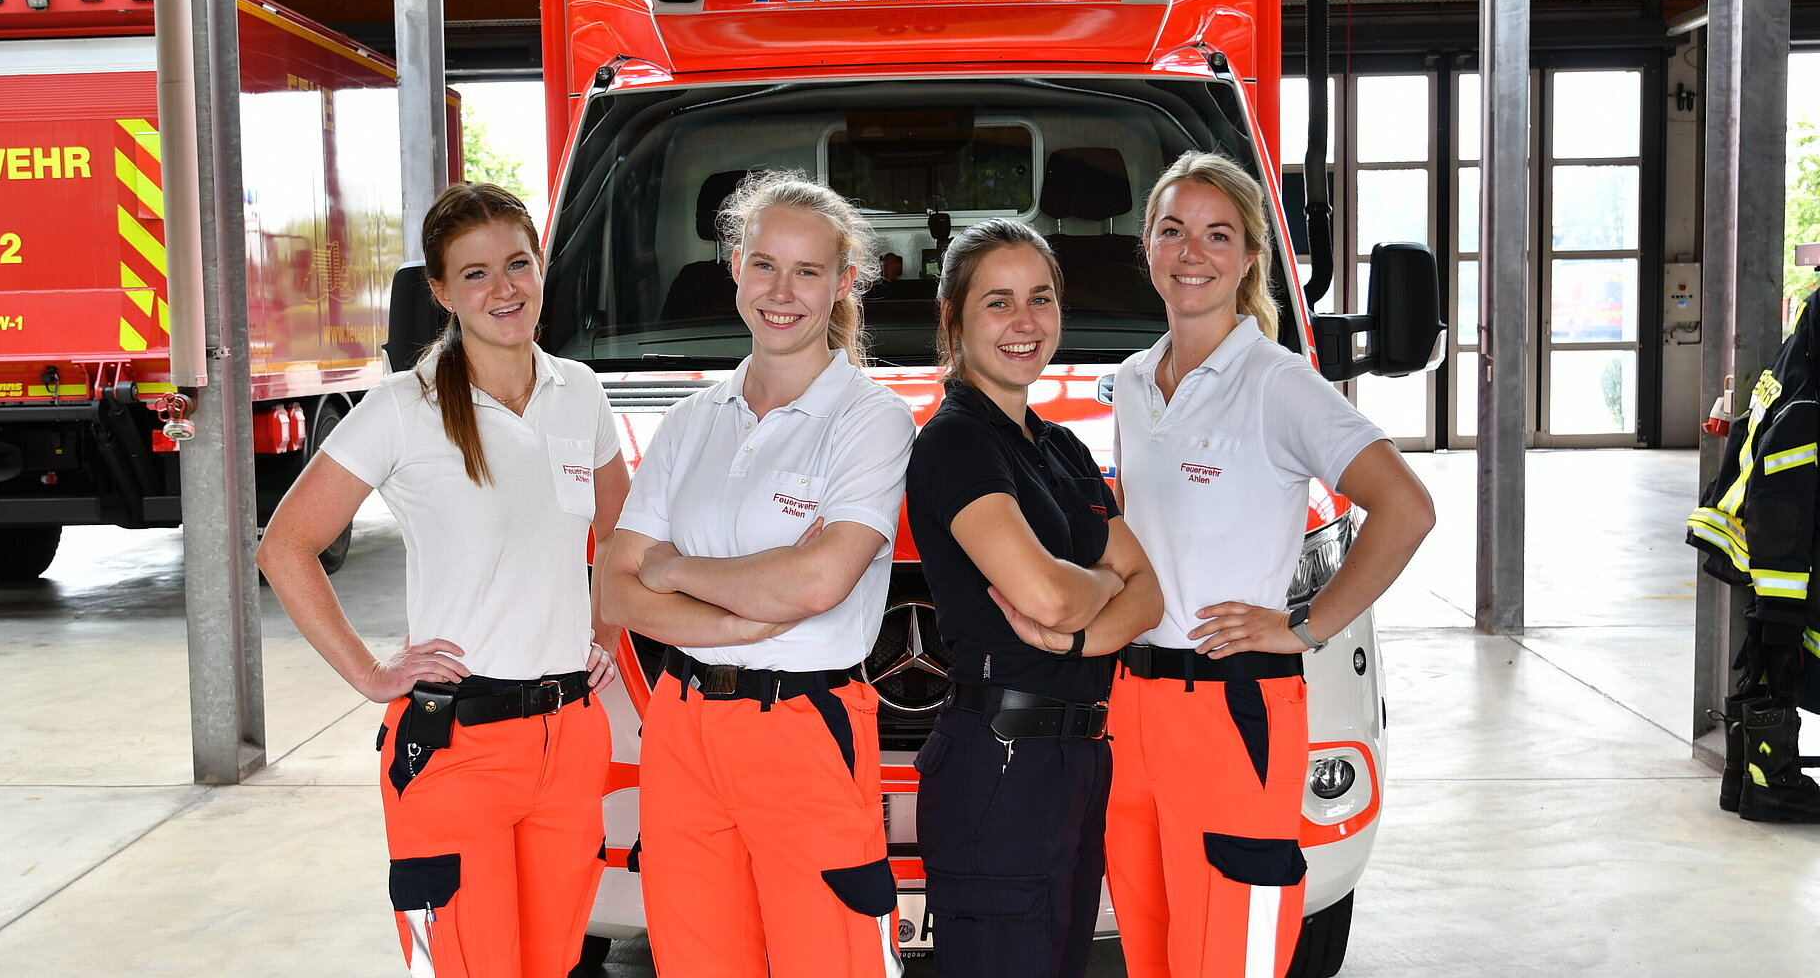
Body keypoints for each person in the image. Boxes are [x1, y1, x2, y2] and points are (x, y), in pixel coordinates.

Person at [1003, 151, 1435, 978]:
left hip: (1231, 708)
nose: (1191, 252)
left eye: (1216, 234)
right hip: (1128, 709)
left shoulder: (1281, 384)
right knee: (1153, 949)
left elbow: (1407, 509)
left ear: (1248, 258)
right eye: (1173, 231)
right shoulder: (1130, 382)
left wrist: (1305, 624)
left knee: (1229, 953)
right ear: (1148, 248)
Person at [256, 182, 625, 978]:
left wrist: (603, 635)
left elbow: (622, 541)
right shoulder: (403, 408)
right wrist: (370, 672)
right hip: (455, 744)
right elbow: (285, 546)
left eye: (517, 264)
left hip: (569, 737)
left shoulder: (579, 390)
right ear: (439, 291)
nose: (505, 289)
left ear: (540, 265)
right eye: (476, 274)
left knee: (556, 964)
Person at [598, 171, 915, 978]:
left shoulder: (871, 420)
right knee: (696, 958)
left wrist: (674, 569)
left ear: (843, 284)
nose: (783, 291)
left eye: (809, 272)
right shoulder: (690, 420)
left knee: (831, 959)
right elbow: (614, 588)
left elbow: (816, 586)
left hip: (804, 729)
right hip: (684, 725)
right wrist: (741, 616)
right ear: (734, 266)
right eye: (765, 264)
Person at [904, 218, 1162, 977]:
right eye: (998, 302)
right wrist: (1103, 584)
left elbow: (1150, 594)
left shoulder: (1061, 448)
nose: (1025, 323)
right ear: (953, 319)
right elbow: (1048, 596)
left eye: (1040, 299)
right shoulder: (955, 443)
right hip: (1001, 764)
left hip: (1077, 758)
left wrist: (1086, 633)